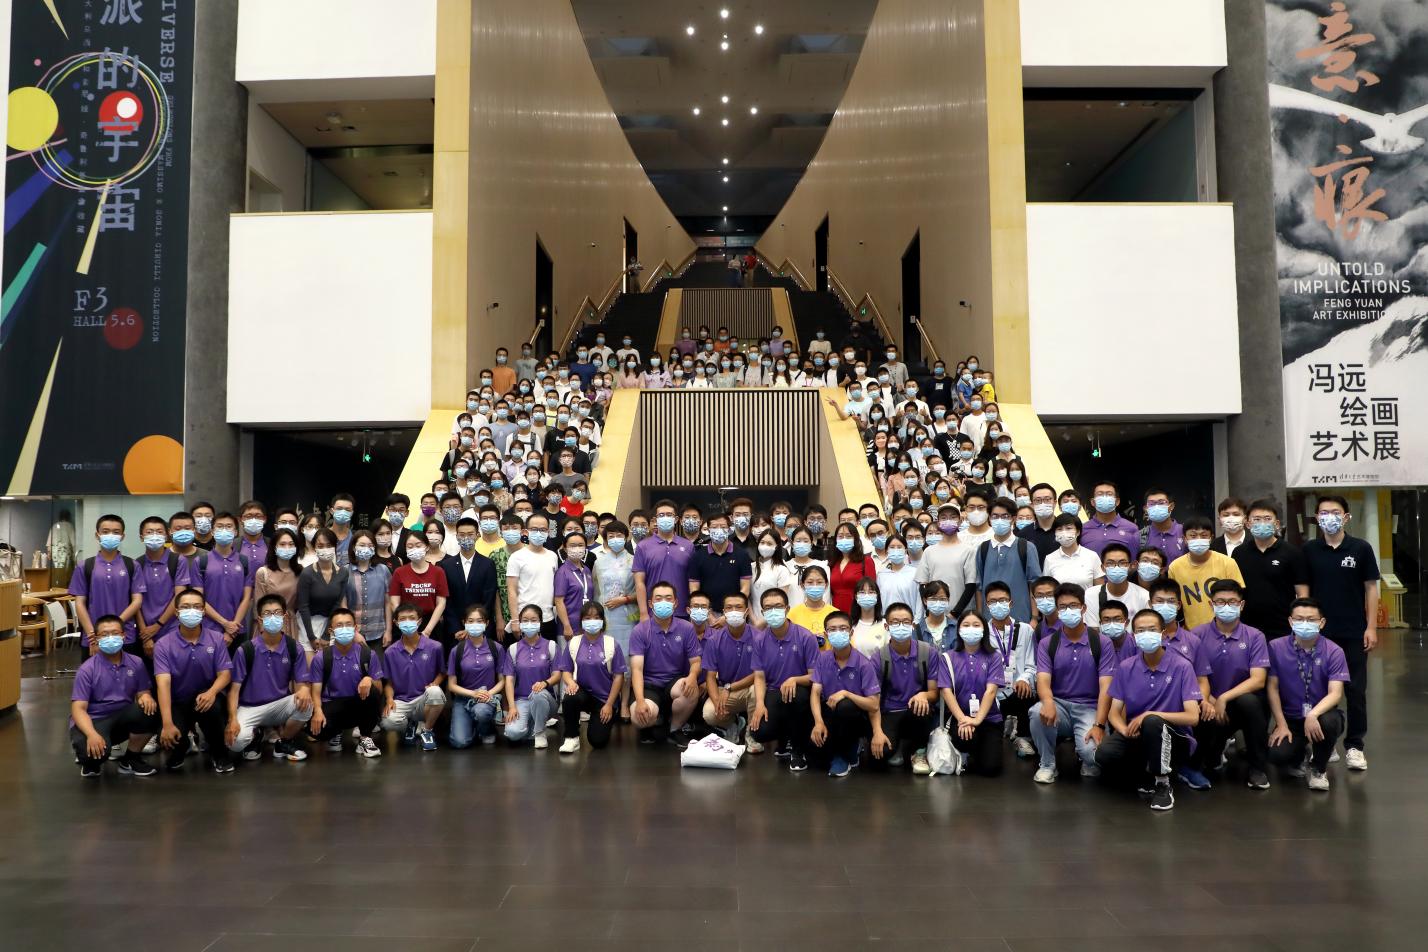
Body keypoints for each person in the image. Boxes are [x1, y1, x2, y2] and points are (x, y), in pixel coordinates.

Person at [1092, 608, 1203, 810]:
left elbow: (1193, 717)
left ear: (1162, 633)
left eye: (1152, 629)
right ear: (1134, 636)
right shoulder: (1126, 667)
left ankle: (1163, 784)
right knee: (1104, 754)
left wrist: (1151, 714)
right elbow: (1114, 713)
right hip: (1139, 734)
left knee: (1152, 722)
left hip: (1176, 738)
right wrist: (1123, 729)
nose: (1146, 634)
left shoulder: (1182, 666)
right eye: (1140, 631)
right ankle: (1145, 773)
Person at [1301, 494, 1378, 771]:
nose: (1329, 517)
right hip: (1318, 634)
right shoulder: (1309, 550)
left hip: (1353, 631)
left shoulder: (1360, 548)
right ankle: (1325, 741)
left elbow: (1371, 588)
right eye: (1323, 512)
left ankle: (1355, 745)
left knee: (1355, 691)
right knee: (1317, 689)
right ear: (1317, 518)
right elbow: (1304, 590)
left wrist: (1371, 626)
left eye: (1335, 512)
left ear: (1345, 516)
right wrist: (1305, 625)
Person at [1185, 580, 1271, 791]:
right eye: (1220, 602)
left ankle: (1257, 769)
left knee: (1250, 702)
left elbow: (1258, 679)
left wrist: (1224, 698)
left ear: (1242, 605)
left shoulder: (1255, 636)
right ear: (1211, 604)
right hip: (1208, 703)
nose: (1226, 606)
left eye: (1232, 602)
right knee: (1200, 710)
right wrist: (1210, 700)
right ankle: (1210, 755)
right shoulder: (1196, 635)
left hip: (1241, 705)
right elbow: (1190, 677)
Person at [1029, 583, 1115, 783]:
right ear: (1057, 610)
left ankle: (1085, 756)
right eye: (1063, 606)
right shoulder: (1048, 643)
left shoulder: (1102, 642)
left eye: (1073, 605)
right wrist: (1048, 702)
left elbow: (1106, 688)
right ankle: (1047, 763)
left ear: (1084, 608)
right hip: (1059, 706)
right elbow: (1043, 679)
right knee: (1036, 712)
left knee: (1094, 757)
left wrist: (1099, 725)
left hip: (1089, 708)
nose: (1068, 610)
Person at [1267, 598, 1350, 791]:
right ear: (1290, 621)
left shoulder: (1334, 651)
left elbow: (1336, 693)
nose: (1305, 623)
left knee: (1330, 722)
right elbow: (1272, 688)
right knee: (1276, 755)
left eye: (1311, 619)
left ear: (1322, 622)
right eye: (1299, 619)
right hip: (1291, 719)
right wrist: (1281, 724)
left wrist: (1313, 714)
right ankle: (1300, 754)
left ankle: (1318, 768)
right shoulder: (1275, 647)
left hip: (1321, 715)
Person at [69, 615, 161, 778]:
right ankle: (90, 760)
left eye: (115, 633)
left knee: (151, 709)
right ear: (97, 639)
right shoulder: (87, 669)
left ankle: (131, 759)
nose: (110, 638)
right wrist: (91, 734)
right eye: (104, 634)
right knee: (92, 756)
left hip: (121, 716)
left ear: (124, 636)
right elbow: (78, 709)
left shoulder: (136, 662)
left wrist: (146, 696)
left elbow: (143, 692)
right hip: (94, 720)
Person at [153, 590, 234, 773]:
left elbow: (225, 674)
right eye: (185, 607)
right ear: (176, 612)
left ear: (204, 611)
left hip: (206, 697)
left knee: (213, 708)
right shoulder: (163, 644)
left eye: (197, 607)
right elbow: (163, 684)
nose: (191, 611)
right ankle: (183, 747)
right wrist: (167, 723)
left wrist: (212, 692)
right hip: (178, 701)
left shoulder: (216, 638)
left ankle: (219, 753)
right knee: (170, 738)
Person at [224, 595, 313, 763]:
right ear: (260, 619)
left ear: (285, 617)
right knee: (234, 743)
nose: (273, 617)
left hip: (279, 706)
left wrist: (304, 689)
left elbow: (301, 684)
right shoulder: (246, 650)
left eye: (277, 612)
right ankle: (255, 735)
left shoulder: (294, 647)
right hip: (250, 707)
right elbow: (234, 690)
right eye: (267, 613)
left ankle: (284, 742)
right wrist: (232, 720)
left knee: (306, 704)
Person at [749, 588, 820, 771]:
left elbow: (815, 676)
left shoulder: (805, 637)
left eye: (778, 606)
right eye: (768, 608)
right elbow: (759, 676)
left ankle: (798, 750)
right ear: (762, 612)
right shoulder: (759, 640)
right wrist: (759, 704)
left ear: (787, 608)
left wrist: (795, 679)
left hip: (801, 692)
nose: (773, 611)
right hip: (774, 691)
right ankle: (784, 737)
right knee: (758, 732)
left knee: (795, 697)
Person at [809, 611, 882, 777]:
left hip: (855, 717)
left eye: (843, 628)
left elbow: (873, 704)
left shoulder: (864, 664)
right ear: (826, 634)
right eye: (832, 629)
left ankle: (843, 754)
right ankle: (847, 750)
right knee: (815, 753)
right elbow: (815, 692)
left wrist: (847, 694)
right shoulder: (822, 658)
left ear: (851, 632)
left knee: (845, 706)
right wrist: (818, 722)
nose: (838, 632)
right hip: (830, 712)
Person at [629, 581, 701, 745]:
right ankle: (652, 722)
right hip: (649, 686)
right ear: (650, 603)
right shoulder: (640, 631)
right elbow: (637, 669)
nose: (663, 602)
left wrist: (692, 677)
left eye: (668, 598)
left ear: (675, 603)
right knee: (638, 719)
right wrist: (640, 701)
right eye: (658, 598)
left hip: (673, 683)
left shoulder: (686, 628)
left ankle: (674, 729)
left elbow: (696, 661)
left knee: (691, 690)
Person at [934, 610, 1006, 776]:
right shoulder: (948, 657)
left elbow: (991, 691)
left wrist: (977, 720)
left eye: (976, 625)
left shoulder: (994, 656)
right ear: (959, 630)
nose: (971, 629)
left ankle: (980, 752)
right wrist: (963, 720)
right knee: (965, 739)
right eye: (966, 625)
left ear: (984, 629)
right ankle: (968, 751)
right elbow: (946, 691)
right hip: (960, 718)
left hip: (988, 719)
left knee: (991, 769)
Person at [306, 607, 385, 758]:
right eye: (339, 625)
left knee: (373, 693)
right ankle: (335, 732)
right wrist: (317, 711)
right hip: (333, 704)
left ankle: (365, 737)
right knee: (316, 731)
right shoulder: (321, 657)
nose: (344, 629)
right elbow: (315, 691)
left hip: (358, 704)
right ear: (331, 631)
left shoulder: (368, 654)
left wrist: (369, 679)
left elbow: (379, 690)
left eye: (348, 625)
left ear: (355, 628)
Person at [872, 603, 937, 773]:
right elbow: (873, 700)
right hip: (890, 711)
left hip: (916, 709)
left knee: (921, 708)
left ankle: (919, 752)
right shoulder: (879, 657)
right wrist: (877, 732)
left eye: (906, 622)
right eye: (895, 622)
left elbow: (934, 692)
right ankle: (899, 745)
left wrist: (924, 695)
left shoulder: (928, 652)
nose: (901, 626)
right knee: (881, 754)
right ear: (886, 626)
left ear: (913, 625)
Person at [1233, 498, 1309, 639]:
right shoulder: (1239, 553)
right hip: (1247, 627)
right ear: (1248, 524)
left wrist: (1300, 622)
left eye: (1267, 519)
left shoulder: (1292, 553)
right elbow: (1236, 590)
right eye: (1256, 519)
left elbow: (1302, 594)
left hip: (1283, 627)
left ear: (1277, 524)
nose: (1262, 523)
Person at [557, 603, 628, 753]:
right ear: (581, 621)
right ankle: (571, 738)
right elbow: (566, 670)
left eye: (596, 617)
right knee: (570, 698)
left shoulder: (612, 644)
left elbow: (619, 677)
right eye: (588, 618)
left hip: (604, 699)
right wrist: (570, 682)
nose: (592, 621)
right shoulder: (574, 643)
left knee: (598, 741)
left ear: (602, 620)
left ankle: (603, 720)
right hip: (582, 693)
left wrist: (609, 705)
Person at [69, 513, 144, 654]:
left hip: (125, 636)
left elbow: (137, 601)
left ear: (122, 536)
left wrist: (114, 627)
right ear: (97, 535)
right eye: (105, 531)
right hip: (93, 638)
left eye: (116, 532)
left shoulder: (132, 565)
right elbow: (79, 603)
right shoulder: (85, 566)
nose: (111, 535)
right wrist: (93, 636)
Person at [379, 603, 447, 751]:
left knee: (435, 692)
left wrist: (434, 683)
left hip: (424, 698)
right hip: (402, 700)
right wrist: (389, 699)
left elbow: (442, 672)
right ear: (396, 623)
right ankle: (411, 725)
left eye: (412, 618)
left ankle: (427, 730)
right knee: (388, 722)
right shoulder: (390, 652)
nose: (407, 622)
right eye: (403, 619)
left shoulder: (435, 647)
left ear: (419, 621)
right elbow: (389, 682)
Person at [701, 592, 761, 750]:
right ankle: (733, 725)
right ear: (724, 612)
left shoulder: (759, 638)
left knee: (757, 689)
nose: (734, 611)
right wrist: (717, 702)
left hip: (749, 689)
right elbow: (710, 677)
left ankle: (751, 735)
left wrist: (730, 688)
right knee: (709, 713)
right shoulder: (715, 640)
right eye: (729, 608)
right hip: (725, 690)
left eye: (738, 607)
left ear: (746, 611)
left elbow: (759, 674)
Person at [983, 580, 1037, 758]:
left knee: (1027, 690)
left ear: (1011, 603)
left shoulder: (1025, 630)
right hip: (993, 692)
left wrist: (1024, 678)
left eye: (1002, 600)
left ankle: (1023, 737)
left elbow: (1032, 664)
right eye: (992, 601)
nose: (998, 605)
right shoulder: (982, 633)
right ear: (987, 605)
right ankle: (1001, 728)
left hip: (1017, 690)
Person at [1167, 516, 1245, 628]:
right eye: (1193, 536)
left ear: (1211, 538)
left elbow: (1238, 597)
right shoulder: (1175, 567)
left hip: (1225, 628)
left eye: (1204, 535)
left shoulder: (1228, 563)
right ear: (1185, 539)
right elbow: (1174, 602)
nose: (1198, 539)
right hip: (1192, 631)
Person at [446, 605, 507, 749]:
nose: (475, 624)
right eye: (471, 621)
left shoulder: (496, 648)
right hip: (463, 699)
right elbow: (451, 685)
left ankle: (486, 730)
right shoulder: (457, 650)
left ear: (487, 623)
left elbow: (502, 681)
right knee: (459, 742)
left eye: (479, 621)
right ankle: (473, 727)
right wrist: (473, 693)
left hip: (487, 698)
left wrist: (488, 694)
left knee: (481, 711)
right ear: (464, 623)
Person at [502, 605, 560, 748]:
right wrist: (511, 707)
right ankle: (533, 727)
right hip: (522, 700)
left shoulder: (551, 646)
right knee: (512, 733)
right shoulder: (513, 649)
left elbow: (557, 675)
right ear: (520, 623)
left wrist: (545, 683)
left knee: (538, 694)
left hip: (546, 700)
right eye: (525, 620)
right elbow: (509, 681)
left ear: (540, 622)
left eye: (534, 620)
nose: (529, 624)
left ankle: (539, 733)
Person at [975, 499, 1041, 623]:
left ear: (1013, 519)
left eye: (1005, 516)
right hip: (989, 620)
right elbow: (979, 587)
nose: (999, 520)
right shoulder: (983, 548)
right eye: (995, 516)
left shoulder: (1026, 547)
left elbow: (1035, 584)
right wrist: (980, 617)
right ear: (989, 519)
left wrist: (1034, 617)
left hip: (1021, 618)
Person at [200, 513, 256, 649]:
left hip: (238, 629)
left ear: (236, 532)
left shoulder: (244, 561)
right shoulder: (201, 561)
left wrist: (232, 627)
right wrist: (225, 624)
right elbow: (198, 599)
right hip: (208, 629)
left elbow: (247, 598)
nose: (224, 530)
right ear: (212, 531)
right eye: (219, 526)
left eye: (229, 526)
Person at [633, 499, 696, 619]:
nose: (665, 518)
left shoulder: (688, 546)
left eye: (669, 515)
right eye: (661, 515)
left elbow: (693, 582)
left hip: (682, 612)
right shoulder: (643, 546)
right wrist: (643, 613)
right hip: (653, 612)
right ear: (655, 519)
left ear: (676, 519)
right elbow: (639, 582)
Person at [387, 532, 450, 648]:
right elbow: (394, 603)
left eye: (418, 545)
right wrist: (404, 623)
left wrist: (427, 631)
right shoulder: (399, 572)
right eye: (410, 546)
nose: (414, 549)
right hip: (406, 623)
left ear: (427, 547)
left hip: (431, 624)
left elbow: (441, 603)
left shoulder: (438, 572)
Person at [506, 512, 560, 640]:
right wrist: (515, 620)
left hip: (548, 618)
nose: (539, 533)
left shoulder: (552, 556)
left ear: (548, 532)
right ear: (526, 532)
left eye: (543, 530)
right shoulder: (516, 557)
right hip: (525, 620)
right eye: (534, 529)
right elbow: (511, 590)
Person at [688, 511, 753, 613]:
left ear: (729, 530)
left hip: (734, 612)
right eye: (714, 527)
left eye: (723, 527)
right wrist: (708, 614)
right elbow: (694, 589)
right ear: (708, 530)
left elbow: (745, 589)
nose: (719, 530)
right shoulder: (698, 556)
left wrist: (732, 611)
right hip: (705, 613)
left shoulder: (742, 555)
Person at [296, 529, 348, 656]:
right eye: (320, 546)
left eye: (329, 545)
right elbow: (303, 606)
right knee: (310, 665)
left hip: (330, 624)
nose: (325, 549)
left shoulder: (343, 573)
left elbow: (337, 604)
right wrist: (311, 637)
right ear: (314, 548)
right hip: (307, 624)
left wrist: (326, 635)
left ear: (335, 547)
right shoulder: (307, 573)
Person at [345, 530, 393, 647]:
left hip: (379, 633)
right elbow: (343, 605)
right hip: (351, 634)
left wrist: (388, 631)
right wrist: (353, 632)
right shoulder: (345, 571)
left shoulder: (383, 570)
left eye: (370, 545)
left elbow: (388, 603)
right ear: (353, 547)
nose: (366, 548)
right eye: (362, 545)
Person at [255, 528, 302, 644]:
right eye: (282, 544)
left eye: (291, 544)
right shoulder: (263, 573)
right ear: (274, 547)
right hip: (268, 622)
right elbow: (258, 606)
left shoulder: (300, 572)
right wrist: (263, 628)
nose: (287, 547)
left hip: (290, 622)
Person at [1082, 543, 1147, 628]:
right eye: (1110, 563)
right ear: (1102, 568)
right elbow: (1093, 630)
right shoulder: (1090, 595)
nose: (1116, 568)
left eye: (1122, 563)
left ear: (1130, 566)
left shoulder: (1144, 596)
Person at [1079, 481, 1140, 558]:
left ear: (1117, 501)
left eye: (1109, 494)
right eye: (1100, 494)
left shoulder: (1132, 528)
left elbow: (1134, 561)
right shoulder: (1082, 529)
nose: (1105, 497)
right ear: (1093, 502)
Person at [1042, 515, 1103, 589]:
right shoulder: (1049, 559)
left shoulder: (1092, 556)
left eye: (1068, 528)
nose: (1064, 532)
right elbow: (1047, 588)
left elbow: (1100, 588)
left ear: (1078, 532)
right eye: (1059, 529)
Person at [788, 565, 837, 643]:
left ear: (826, 585)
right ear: (802, 585)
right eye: (810, 582)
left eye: (819, 582)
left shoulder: (835, 614)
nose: (815, 586)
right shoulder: (792, 614)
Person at [1141, 489, 1187, 562]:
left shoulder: (1185, 532)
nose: (1156, 507)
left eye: (1161, 503)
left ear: (1171, 506)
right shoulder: (1139, 537)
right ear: (1146, 509)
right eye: (1151, 504)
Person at [1018, 483, 1060, 562]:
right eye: (1038, 500)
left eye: (1047, 499)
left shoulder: (1065, 530)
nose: (1043, 504)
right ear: (1032, 505)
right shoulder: (1023, 534)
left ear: (1055, 503)